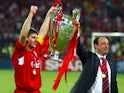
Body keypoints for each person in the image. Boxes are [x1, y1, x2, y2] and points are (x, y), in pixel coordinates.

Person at [12, 5, 56, 93]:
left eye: (36, 38)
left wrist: (49, 14)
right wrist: (31, 13)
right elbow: (24, 34)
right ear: (27, 39)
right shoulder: (20, 51)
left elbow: (43, 32)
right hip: (22, 91)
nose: (36, 40)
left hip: (36, 91)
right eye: (33, 38)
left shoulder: (36, 49)